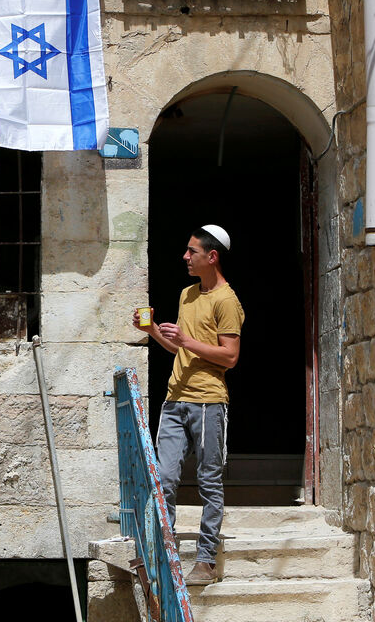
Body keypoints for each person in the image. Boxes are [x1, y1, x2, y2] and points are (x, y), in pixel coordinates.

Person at [132, 224, 244, 586]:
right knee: (163, 479)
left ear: (212, 257)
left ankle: (206, 562)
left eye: (191, 251)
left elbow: (230, 356)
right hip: (174, 401)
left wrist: (186, 340)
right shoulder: (186, 295)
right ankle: (161, 553)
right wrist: (153, 333)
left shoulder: (227, 301)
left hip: (209, 403)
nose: (185, 257)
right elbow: (181, 347)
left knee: (208, 481)